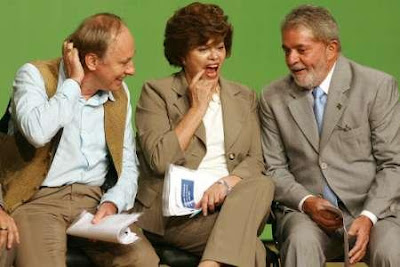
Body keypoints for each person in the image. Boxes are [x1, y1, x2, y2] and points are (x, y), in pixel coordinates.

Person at [0, 13, 159, 267]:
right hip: (38, 200)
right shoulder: (34, 76)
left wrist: (113, 203)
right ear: (93, 61)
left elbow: (128, 165)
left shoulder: (120, 94)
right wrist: (73, 83)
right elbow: (37, 132)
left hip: (94, 201)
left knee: (144, 260)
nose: (132, 70)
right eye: (124, 62)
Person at [133, 2, 274, 267]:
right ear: (182, 55)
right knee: (252, 249)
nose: (214, 57)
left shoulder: (243, 96)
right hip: (176, 217)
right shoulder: (156, 92)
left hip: (230, 205)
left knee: (262, 184)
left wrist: (224, 184)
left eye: (219, 47)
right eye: (203, 49)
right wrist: (197, 107)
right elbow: (160, 160)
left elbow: (256, 161)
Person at [259, 4, 400, 267]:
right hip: (306, 215)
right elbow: (273, 169)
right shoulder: (272, 97)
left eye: (301, 50)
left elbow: (393, 164)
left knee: (393, 251)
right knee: (301, 243)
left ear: (331, 49)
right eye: (286, 50)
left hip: (372, 212)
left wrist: (368, 216)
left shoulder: (377, 87)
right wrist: (307, 202)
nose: (291, 59)